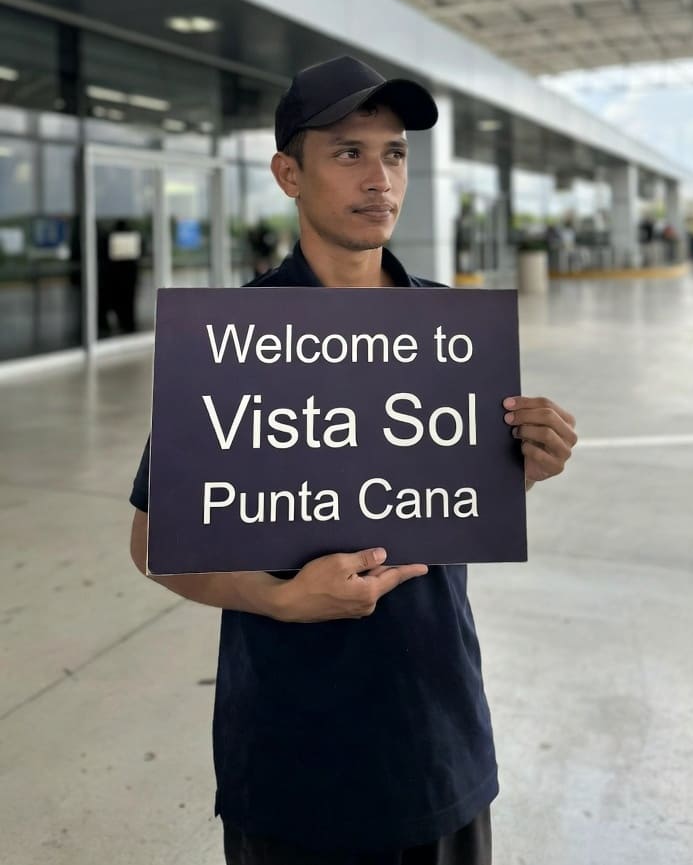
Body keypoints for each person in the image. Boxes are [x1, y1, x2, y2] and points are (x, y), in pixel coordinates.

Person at [129, 55, 577, 865]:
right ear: (287, 173)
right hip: (293, 759)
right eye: (348, 152)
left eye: (395, 153)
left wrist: (521, 466)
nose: (380, 178)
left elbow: (451, 498)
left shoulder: (449, 329)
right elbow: (153, 540)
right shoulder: (233, 340)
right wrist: (281, 599)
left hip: (441, 744)